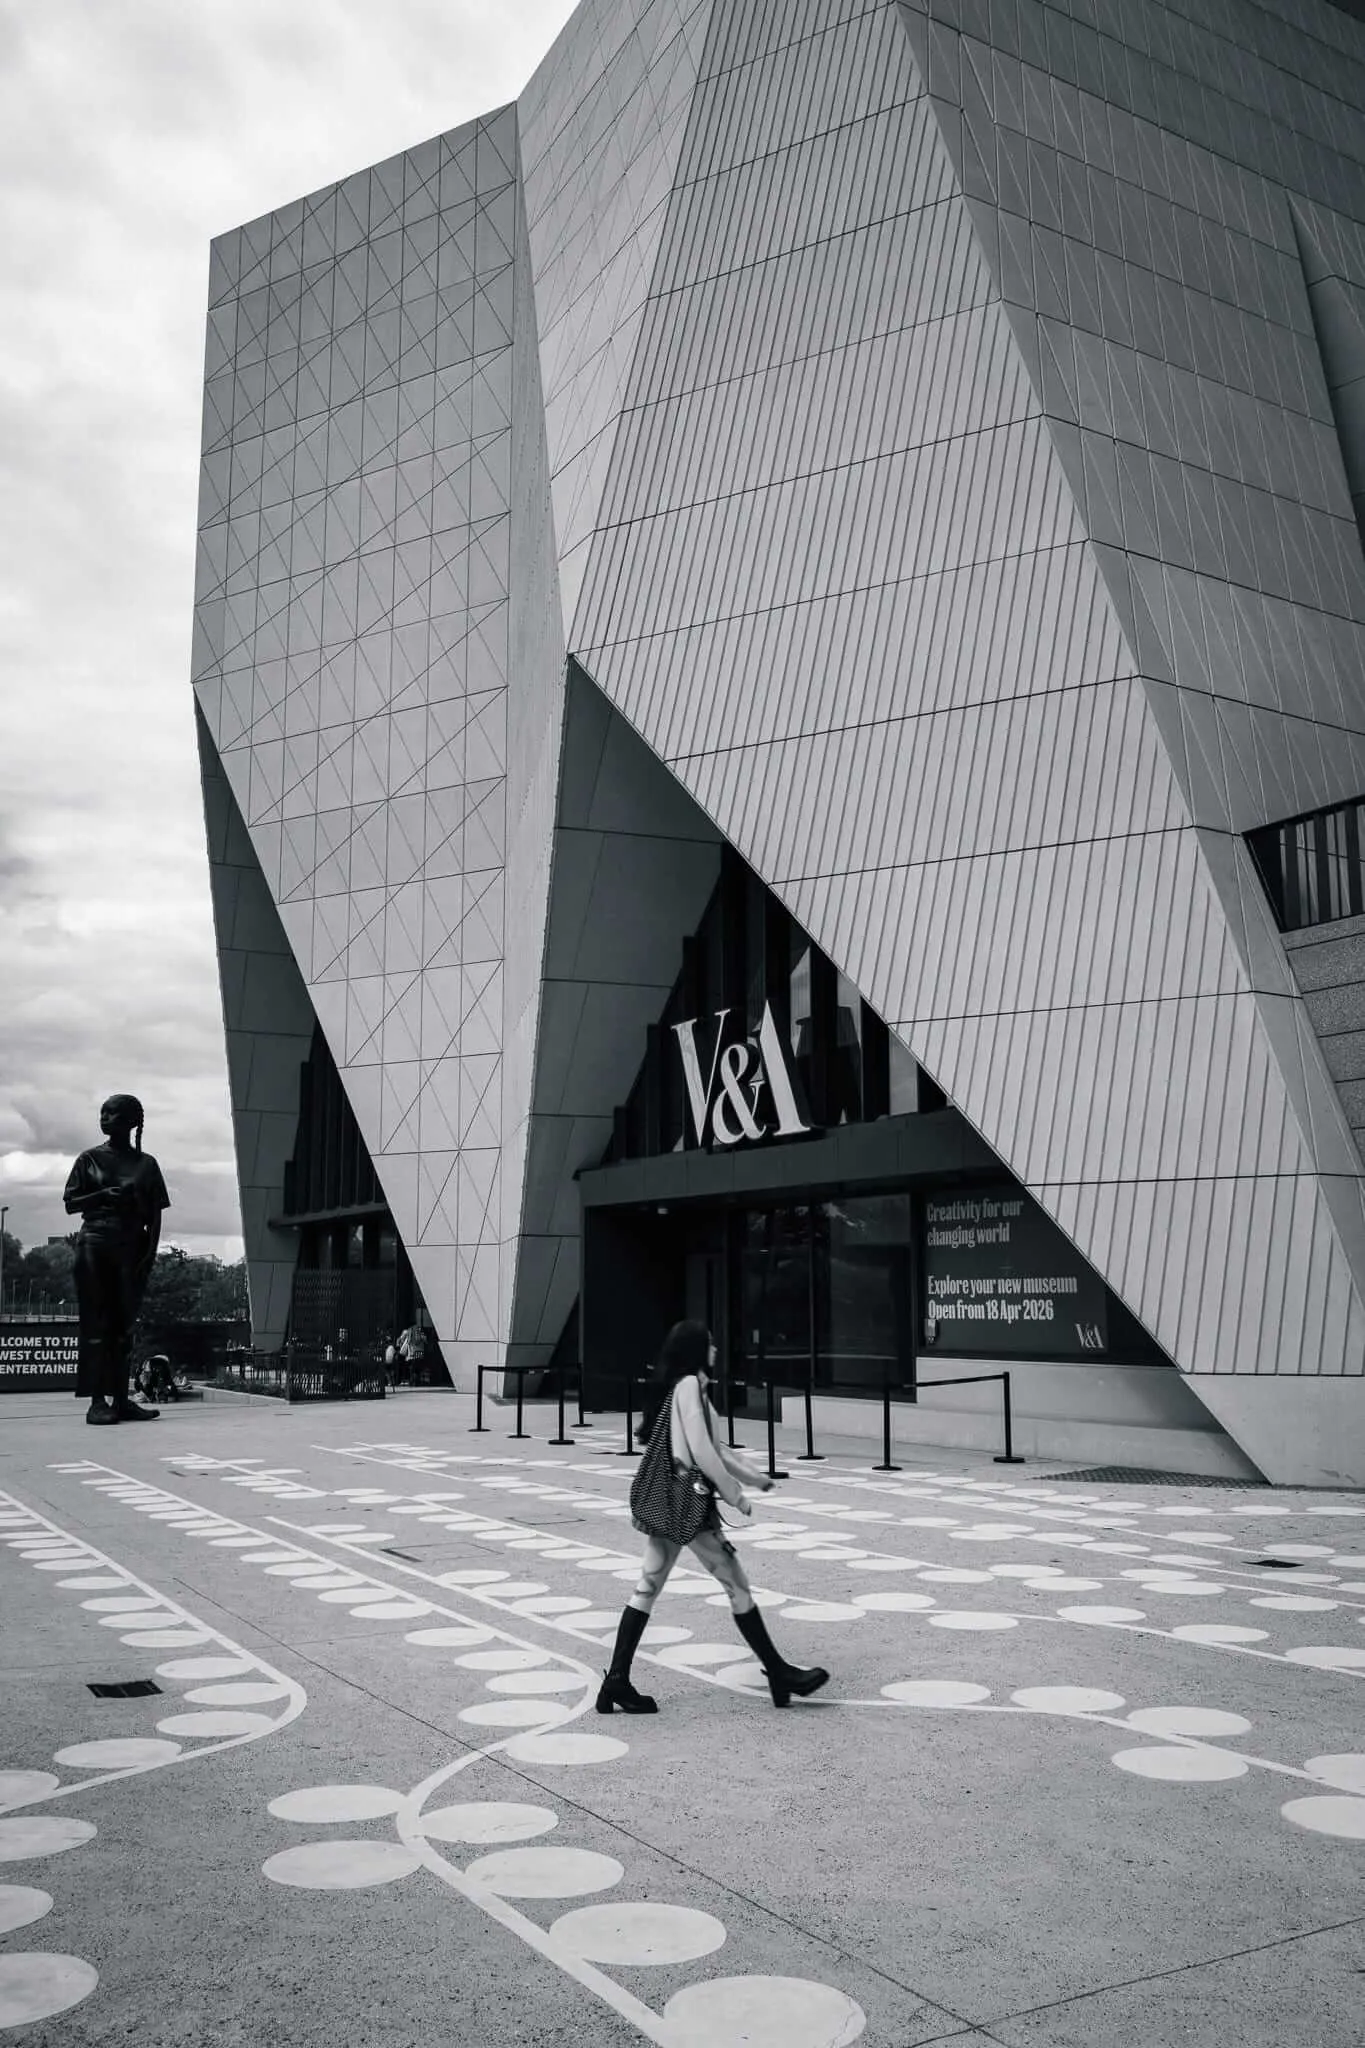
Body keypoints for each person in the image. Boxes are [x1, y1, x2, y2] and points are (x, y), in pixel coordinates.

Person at [597, 1319, 830, 1715]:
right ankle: (778, 1673)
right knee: (736, 1584)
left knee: (648, 1586)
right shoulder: (689, 1385)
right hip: (688, 1506)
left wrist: (757, 1479)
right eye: (710, 1344)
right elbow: (703, 1452)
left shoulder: (691, 1388)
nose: (716, 1350)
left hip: (671, 1504)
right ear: (694, 1349)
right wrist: (735, 1494)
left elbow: (717, 1451)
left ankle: (616, 1681)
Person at [63, 1094, 170, 1425]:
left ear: (131, 1122)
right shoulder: (89, 1159)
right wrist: (101, 1196)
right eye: (102, 1113)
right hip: (95, 1244)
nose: (105, 1118)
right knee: (97, 1323)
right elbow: (70, 1203)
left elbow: (155, 1215)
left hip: (131, 1247)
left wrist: (149, 1254)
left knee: (124, 1327)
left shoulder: (146, 1164)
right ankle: (97, 1402)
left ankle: (121, 1400)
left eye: (112, 1113)